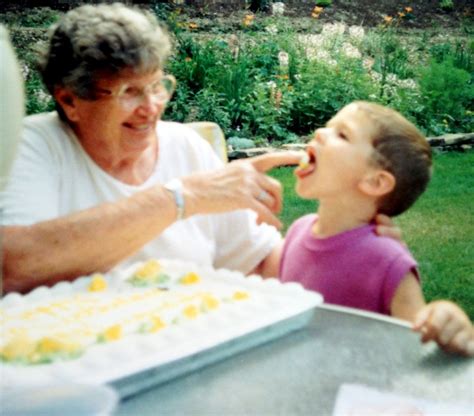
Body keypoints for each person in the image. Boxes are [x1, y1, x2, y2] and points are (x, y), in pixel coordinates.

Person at [0, 4, 397, 295]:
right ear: (70, 100)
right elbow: (14, 265)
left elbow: (259, 263)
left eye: (157, 85)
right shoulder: (32, 146)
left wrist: (355, 252)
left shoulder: (185, 146)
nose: (152, 107)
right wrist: (184, 197)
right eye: (129, 92)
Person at [279, 101, 474, 356]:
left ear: (375, 181)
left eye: (342, 134)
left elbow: (418, 348)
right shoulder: (297, 230)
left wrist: (444, 319)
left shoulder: (387, 261)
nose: (319, 133)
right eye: (328, 127)